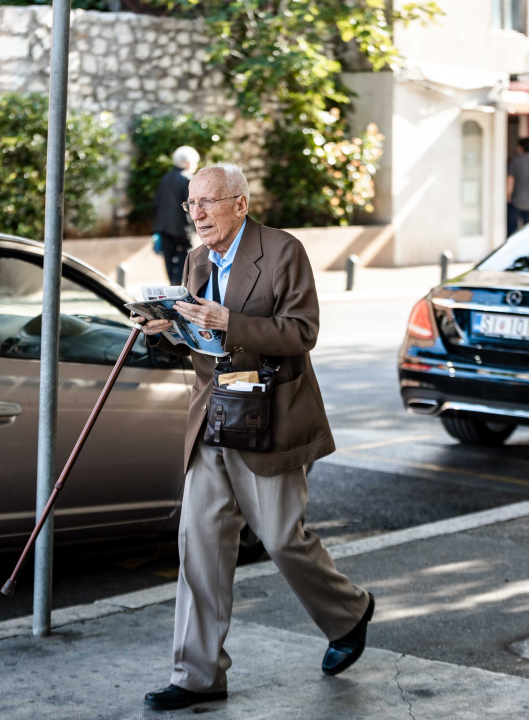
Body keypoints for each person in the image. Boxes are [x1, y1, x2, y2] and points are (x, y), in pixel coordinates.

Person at [134, 164, 374, 712]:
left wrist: (230, 321)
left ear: (239, 204)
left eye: (207, 203)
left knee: (284, 539)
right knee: (198, 544)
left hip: (271, 417)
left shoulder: (283, 251)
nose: (196, 215)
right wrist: (168, 331)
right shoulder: (196, 261)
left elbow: (302, 332)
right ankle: (197, 677)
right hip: (213, 417)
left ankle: (349, 613)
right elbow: (202, 349)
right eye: (191, 205)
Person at [153, 146, 200, 285]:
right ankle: (177, 287)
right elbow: (192, 205)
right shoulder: (187, 179)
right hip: (181, 228)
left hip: (164, 227)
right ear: (188, 162)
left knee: (169, 259)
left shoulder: (166, 178)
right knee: (185, 259)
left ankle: (172, 286)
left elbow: (157, 203)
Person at [507, 137, 529, 237]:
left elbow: (510, 181)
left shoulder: (515, 162)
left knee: (512, 232)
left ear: (520, 148)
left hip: (516, 201)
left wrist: (508, 196)